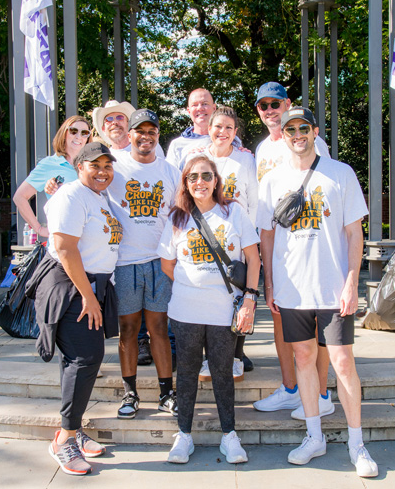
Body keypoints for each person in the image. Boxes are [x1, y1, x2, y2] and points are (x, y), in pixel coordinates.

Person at [257, 107, 378, 477]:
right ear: (283, 134)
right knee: (304, 357)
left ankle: (357, 444)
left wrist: (352, 281)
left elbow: (354, 233)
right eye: (290, 129)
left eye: (303, 128)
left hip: (332, 288)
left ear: (314, 131)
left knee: (342, 362)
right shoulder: (272, 180)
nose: (297, 134)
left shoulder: (340, 173)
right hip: (292, 289)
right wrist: (269, 283)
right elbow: (266, 236)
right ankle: (314, 436)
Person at [158, 155, 261, 465]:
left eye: (206, 176)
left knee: (222, 373)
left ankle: (229, 435)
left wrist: (249, 299)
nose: (200, 182)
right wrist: (193, 285)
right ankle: (184, 435)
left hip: (223, 311)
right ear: (186, 184)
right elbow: (167, 264)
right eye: (193, 177)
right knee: (187, 372)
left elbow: (253, 258)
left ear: (216, 180)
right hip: (185, 311)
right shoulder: (177, 218)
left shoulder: (234, 213)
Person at [36, 142, 122, 476]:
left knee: (77, 360)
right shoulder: (70, 196)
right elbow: (64, 248)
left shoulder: (98, 197)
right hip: (72, 286)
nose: (102, 171)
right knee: (85, 358)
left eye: (107, 166)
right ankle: (64, 439)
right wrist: (88, 296)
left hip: (90, 285)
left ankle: (73, 428)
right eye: (94, 165)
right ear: (79, 166)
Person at [252, 82, 334, 421]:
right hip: (280, 248)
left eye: (275, 103)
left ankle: (321, 393)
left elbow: (326, 191)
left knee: (315, 324)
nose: (270, 110)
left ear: (288, 104)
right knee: (280, 318)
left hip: (311, 245)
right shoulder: (261, 149)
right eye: (263, 106)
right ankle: (290, 389)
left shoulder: (311, 141)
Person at [106, 109, 181, 419]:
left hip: (159, 261)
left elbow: (180, 215)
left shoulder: (170, 171)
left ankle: (166, 393)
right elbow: (87, 184)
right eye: (140, 131)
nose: (146, 136)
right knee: (127, 329)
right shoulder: (115, 167)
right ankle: (130, 393)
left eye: (152, 131)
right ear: (130, 135)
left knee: (159, 328)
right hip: (125, 262)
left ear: (158, 135)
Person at [180, 106, 258, 381]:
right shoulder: (197, 157)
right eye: (218, 126)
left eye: (228, 127)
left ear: (235, 132)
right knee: (209, 297)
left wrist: (248, 238)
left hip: (236, 237)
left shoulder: (245, 159)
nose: (222, 132)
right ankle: (208, 357)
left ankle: (236, 357)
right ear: (208, 129)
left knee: (238, 295)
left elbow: (253, 201)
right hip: (205, 236)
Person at [12, 115, 91, 239]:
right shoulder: (49, 164)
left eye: (84, 133)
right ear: (64, 133)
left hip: (89, 240)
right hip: (62, 241)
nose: (78, 136)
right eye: (73, 131)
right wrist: (39, 229)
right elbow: (19, 197)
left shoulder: (92, 165)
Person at [165, 88, 245, 167]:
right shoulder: (177, 145)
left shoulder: (229, 139)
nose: (200, 108)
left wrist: (245, 153)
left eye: (205, 104)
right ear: (189, 111)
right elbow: (170, 174)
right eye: (195, 105)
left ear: (214, 108)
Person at [92, 99, 165, 158]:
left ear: (129, 124)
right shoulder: (105, 158)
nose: (114, 122)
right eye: (109, 119)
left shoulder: (149, 146)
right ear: (103, 129)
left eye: (120, 117)